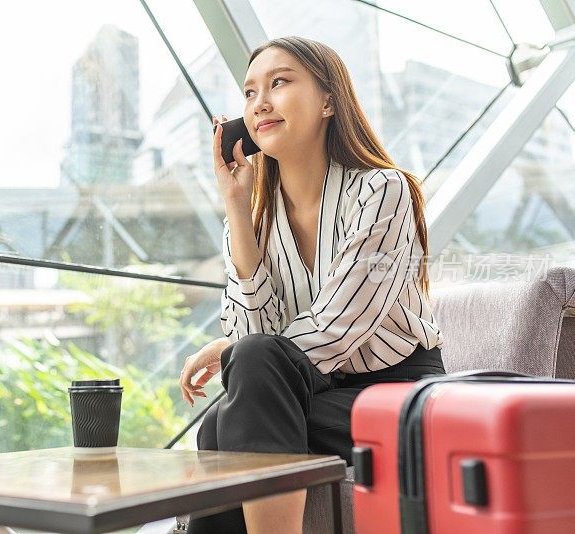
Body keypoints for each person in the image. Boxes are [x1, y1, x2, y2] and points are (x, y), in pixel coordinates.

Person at [178, 36, 446, 534]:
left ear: (328, 101)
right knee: (226, 414)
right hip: (307, 394)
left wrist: (236, 348)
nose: (260, 102)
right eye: (249, 91)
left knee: (230, 410)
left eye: (279, 83)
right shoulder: (250, 220)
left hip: (394, 395)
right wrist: (237, 206)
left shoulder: (380, 190)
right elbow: (258, 344)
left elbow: (337, 330)